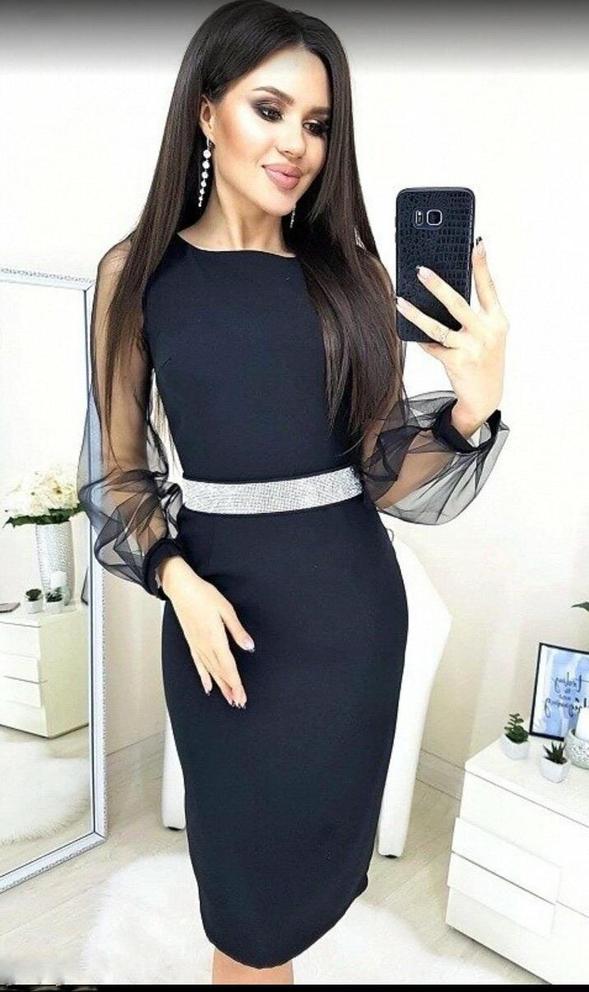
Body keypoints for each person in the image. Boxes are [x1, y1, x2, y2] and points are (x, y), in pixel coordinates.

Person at [76, 0, 509, 984]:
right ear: (205, 110)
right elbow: (122, 469)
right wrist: (177, 579)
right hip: (219, 619)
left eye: (316, 123)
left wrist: (471, 410)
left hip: (351, 621)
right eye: (268, 109)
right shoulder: (134, 275)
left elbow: (378, 471)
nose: (295, 145)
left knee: (290, 905)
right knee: (247, 909)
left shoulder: (353, 276)